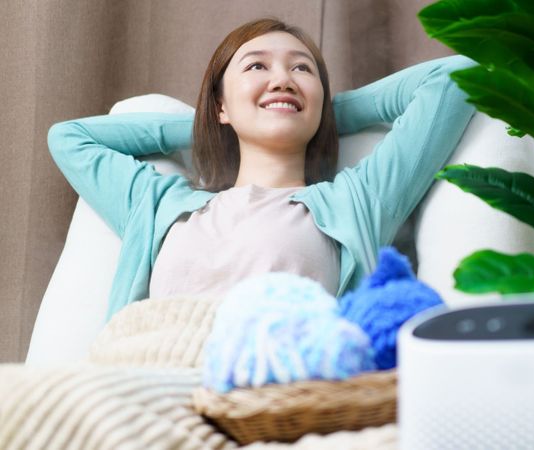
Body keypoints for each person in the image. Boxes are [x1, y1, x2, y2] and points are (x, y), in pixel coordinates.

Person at [48, 18, 476, 321]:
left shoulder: (355, 203)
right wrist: (215, 120)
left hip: (277, 406)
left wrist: (321, 112)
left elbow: (456, 77)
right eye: (257, 66)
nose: (283, 79)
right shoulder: (160, 206)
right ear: (219, 103)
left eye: (301, 69)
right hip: (155, 393)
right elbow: (68, 138)